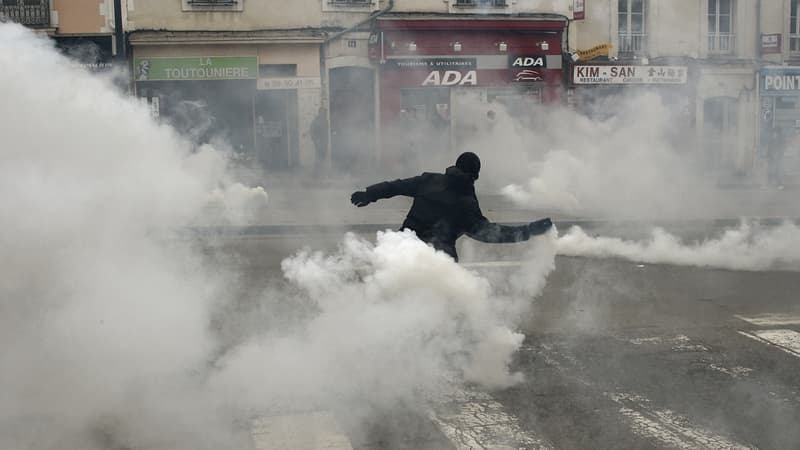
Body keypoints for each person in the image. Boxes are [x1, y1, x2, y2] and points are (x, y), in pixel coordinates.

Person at [350, 152, 553, 261]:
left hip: (403, 247)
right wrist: (529, 231)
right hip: (439, 261)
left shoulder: (428, 180)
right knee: (446, 305)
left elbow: (394, 186)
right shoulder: (467, 204)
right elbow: (491, 234)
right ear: (475, 176)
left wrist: (369, 194)